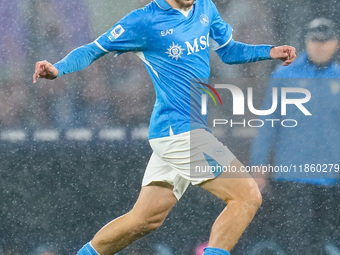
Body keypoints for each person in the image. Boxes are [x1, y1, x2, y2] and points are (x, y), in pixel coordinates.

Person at [33, 0, 296, 254]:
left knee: (144, 219)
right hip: (180, 133)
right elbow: (93, 49)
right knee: (247, 196)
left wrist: (269, 51)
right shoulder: (144, 20)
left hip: (179, 132)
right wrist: (58, 68)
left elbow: (228, 50)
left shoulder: (205, 7)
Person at [250, 18, 340, 254]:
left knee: (321, 240)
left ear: (336, 43)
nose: (320, 46)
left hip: (330, 176)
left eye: (326, 40)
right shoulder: (285, 75)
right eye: (315, 40)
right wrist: (259, 166)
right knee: (296, 240)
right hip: (292, 174)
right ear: (306, 42)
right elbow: (268, 123)